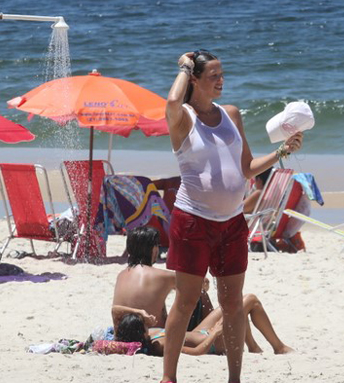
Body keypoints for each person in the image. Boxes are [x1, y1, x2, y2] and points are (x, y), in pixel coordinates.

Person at [161, 49, 303, 383]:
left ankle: (234, 379)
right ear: (194, 80)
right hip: (193, 219)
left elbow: (247, 167)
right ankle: (169, 378)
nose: (221, 80)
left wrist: (282, 151)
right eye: (213, 75)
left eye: (222, 74)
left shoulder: (232, 115)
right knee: (185, 301)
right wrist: (183, 66)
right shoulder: (182, 118)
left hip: (233, 223)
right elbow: (170, 101)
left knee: (233, 303)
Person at [113, 293, 294, 357]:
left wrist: (140, 313)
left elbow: (115, 310)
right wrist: (215, 334)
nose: (147, 323)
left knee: (231, 305)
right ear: (141, 333)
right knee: (249, 300)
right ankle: (278, 347)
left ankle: (254, 347)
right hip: (212, 343)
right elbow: (195, 352)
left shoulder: (148, 335)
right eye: (144, 324)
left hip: (199, 332)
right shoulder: (159, 345)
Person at [112, 227, 214, 331]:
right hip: (154, 337)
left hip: (123, 335)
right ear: (152, 249)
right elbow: (204, 283)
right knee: (200, 293)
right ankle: (211, 332)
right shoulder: (162, 276)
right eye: (157, 245)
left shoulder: (121, 275)